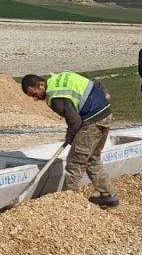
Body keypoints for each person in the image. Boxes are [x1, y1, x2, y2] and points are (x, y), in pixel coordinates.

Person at [21, 72, 119, 207]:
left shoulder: (54, 98)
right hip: (105, 114)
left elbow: (75, 122)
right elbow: (92, 81)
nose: (35, 99)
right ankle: (109, 196)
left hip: (92, 120)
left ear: (41, 85)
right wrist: (104, 96)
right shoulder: (60, 78)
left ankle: (69, 203)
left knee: (75, 162)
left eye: (34, 94)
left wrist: (70, 135)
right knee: (92, 159)